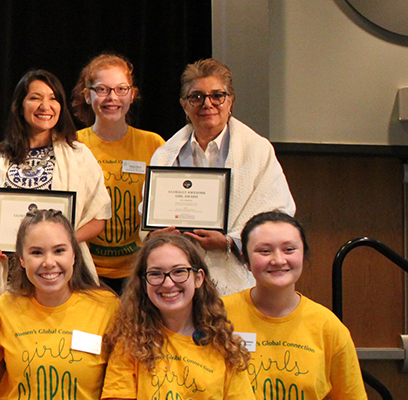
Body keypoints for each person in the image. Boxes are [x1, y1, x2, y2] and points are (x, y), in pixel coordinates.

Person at [149, 58, 295, 296]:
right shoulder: (165, 154)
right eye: (196, 97)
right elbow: (148, 216)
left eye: (217, 95)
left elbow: (279, 212)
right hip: (177, 278)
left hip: (237, 280)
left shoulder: (258, 150)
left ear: (230, 102)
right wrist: (155, 233)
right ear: (184, 105)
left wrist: (230, 242)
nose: (207, 104)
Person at [0, 69, 110, 303]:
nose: (45, 106)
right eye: (35, 97)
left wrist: (62, 243)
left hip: (60, 272)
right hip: (7, 277)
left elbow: (98, 217)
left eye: (53, 98)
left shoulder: (79, 156)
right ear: (20, 105)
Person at [222, 212, 367, 399]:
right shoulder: (218, 315)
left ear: (303, 254)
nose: (279, 260)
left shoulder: (328, 327)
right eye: (264, 251)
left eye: (289, 249)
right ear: (246, 260)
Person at [102, 233, 253, 399]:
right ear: (143, 283)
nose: (168, 283)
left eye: (179, 271)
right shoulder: (129, 344)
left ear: (198, 278)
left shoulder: (225, 345)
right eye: (156, 273)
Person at [0, 209, 119, 400]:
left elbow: (119, 384)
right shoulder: (6, 306)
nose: (49, 262)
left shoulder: (107, 307)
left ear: (74, 255)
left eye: (59, 251)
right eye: (36, 252)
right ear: (22, 259)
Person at [71, 54, 164, 293]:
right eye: (102, 89)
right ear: (87, 95)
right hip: (85, 270)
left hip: (139, 271)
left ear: (132, 94)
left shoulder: (153, 144)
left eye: (121, 89)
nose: (112, 98)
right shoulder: (73, 145)